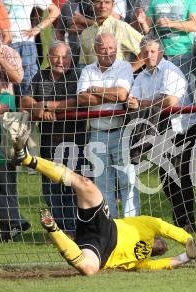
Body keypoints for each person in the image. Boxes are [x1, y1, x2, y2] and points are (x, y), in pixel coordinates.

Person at [11, 134, 196, 275]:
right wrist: (190, 243)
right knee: (85, 183)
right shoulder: (149, 224)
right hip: (105, 224)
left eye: (162, 249)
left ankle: (53, 229)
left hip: (100, 250)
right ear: (158, 238)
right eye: (163, 244)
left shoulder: (140, 262)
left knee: (89, 269)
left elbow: (165, 265)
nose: (164, 247)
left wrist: (188, 257)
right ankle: (27, 158)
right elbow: (170, 230)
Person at [127, 39, 196, 232]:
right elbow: (133, 99)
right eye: (146, 52)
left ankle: (186, 223)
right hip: (160, 130)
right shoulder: (142, 77)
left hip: (182, 128)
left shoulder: (170, 71)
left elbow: (169, 100)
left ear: (161, 52)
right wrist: (134, 102)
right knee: (166, 176)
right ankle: (181, 220)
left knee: (179, 174)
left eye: (153, 51)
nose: (149, 55)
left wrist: (141, 103)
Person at [21, 41, 86, 235]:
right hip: (50, 141)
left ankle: (74, 227)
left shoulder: (78, 75)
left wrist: (50, 105)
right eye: (56, 56)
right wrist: (38, 108)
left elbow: (80, 101)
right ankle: (60, 229)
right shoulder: (40, 76)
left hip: (76, 139)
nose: (60, 61)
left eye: (65, 56)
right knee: (51, 185)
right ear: (49, 57)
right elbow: (25, 100)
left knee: (73, 184)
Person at [77, 33, 139, 218]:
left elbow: (121, 95)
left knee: (128, 181)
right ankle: (111, 225)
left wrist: (95, 90)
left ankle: (132, 224)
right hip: (97, 132)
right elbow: (81, 98)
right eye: (103, 48)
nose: (108, 52)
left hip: (121, 131)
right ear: (95, 50)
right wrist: (110, 94)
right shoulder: (88, 70)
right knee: (103, 183)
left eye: (111, 47)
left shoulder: (124, 67)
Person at [0, 36, 30, 241]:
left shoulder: (10, 52)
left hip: (6, 111)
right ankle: (15, 221)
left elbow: (17, 78)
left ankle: (11, 227)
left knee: (6, 174)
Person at [3, 0, 60, 96]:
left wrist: (37, 28)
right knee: (6, 81)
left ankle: (28, 107)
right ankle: (12, 108)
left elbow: (55, 10)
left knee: (28, 79)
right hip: (3, 44)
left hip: (25, 43)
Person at [78, 0, 144, 71]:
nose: (102, 6)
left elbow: (146, 47)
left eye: (107, 2)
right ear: (92, 5)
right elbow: (83, 64)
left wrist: (129, 71)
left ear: (113, 6)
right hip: (93, 79)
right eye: (98, 2)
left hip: (117, 79)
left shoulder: (121, 27)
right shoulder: (86, 33)